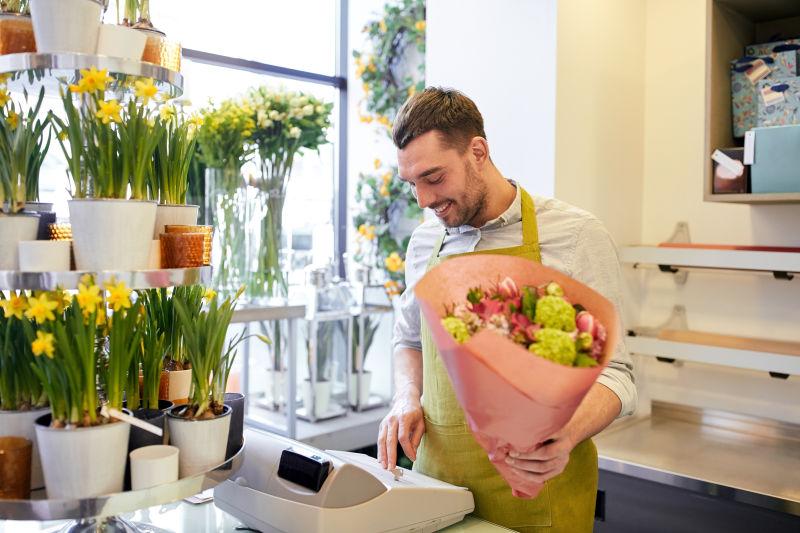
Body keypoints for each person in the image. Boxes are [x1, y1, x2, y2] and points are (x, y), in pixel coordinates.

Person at [377, 87, 636, 533]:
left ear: (477, 151)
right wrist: (406, 396)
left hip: (538, 502)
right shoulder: (425, 243)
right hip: (437, 493)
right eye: (412, 184)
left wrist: (566, 436)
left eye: (434, 178)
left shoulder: (573, 235)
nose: (422, 199)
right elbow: (409, 339)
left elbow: (616, 375)